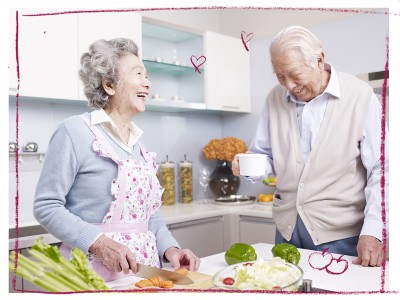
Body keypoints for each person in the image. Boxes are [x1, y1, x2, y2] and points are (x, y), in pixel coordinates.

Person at [33, 38, 200, 282]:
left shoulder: (139, 146)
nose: (147, 82)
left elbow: (149, 216)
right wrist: (99, 243)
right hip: (90, 275)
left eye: (147, 75)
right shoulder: (74, 131)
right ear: (110, 85)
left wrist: (171, 250)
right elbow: (46, 206)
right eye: (139, 74)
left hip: (143, 272)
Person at [232, 26, 388, 267]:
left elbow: (383, 169)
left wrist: (374, 229)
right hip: (287, 234)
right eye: (280, 76)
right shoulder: (275, 98)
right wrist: (248, 165)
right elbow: (265, 156)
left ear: (319, 60)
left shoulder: (360, 96)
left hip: (343, 237)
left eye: (294, 74)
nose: (289, 85)